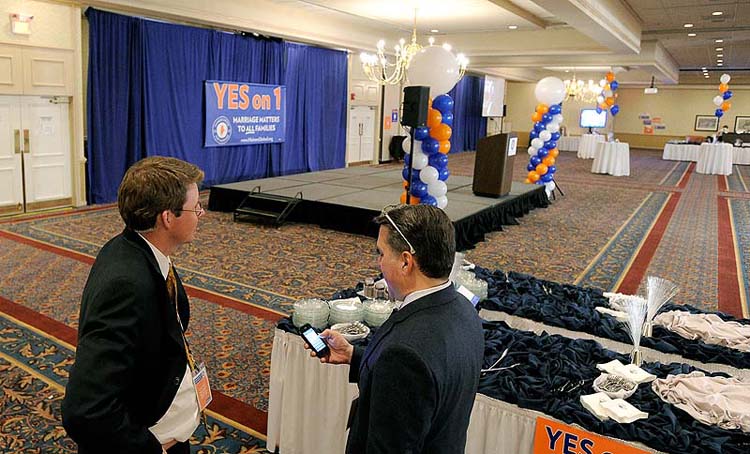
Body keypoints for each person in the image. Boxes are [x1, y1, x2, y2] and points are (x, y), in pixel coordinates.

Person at [309, 204, 484, 454]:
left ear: (405, 262)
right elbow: (425, 385)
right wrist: (353, 355)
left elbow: (408, 370)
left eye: (381, 253)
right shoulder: (465, 310)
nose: (378, 263)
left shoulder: (404, 355)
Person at [62, 156, 207, 454]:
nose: (202, 213)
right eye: (196, 207)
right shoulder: (126, 285)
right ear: (168, 217)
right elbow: (86, 410)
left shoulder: (139, 249)